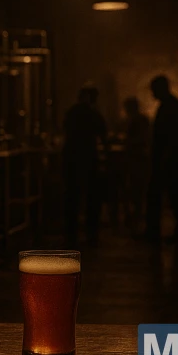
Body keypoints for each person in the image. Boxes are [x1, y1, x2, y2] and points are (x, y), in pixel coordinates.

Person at [62, 86, 108, 247]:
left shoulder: (72, 112)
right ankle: (91, 233)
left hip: (72, 158)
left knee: (72, 197)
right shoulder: (93, 113)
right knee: (92, 197)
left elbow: (65, 130)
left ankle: (71, 233)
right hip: (88, 158)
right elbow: (103, 134)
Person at [146, 75, 178, 243]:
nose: (152, 93)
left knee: (172, 195)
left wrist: (163, 158)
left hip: (169, 160)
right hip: (170, 159)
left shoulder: (169, 108)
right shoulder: (173, 106)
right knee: (175, 195)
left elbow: (168, 137)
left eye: (154, 90)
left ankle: (158, 232)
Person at [122, 97, 150, 233]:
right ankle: (136, 216)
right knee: (136, 189)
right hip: (137, 159)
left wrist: (129, 143)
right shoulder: (138, 120)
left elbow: (143, 138)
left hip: (138, 159)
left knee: (137, 188)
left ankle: (137, 217)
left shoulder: (137, 121)